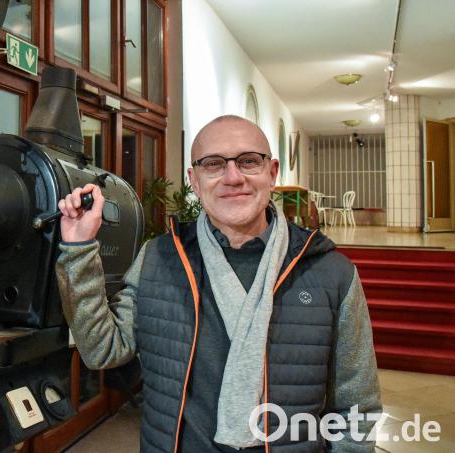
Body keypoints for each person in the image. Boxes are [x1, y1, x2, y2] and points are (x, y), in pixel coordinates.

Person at [55, 115, 381, 452]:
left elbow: (357, 408)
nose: (233, 177)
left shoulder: (330, 272)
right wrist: (78, 250)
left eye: (248, 161)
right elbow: (101, 350)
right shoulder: (158, 259)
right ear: (194, 181)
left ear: (272, 173)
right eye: (213, 164)